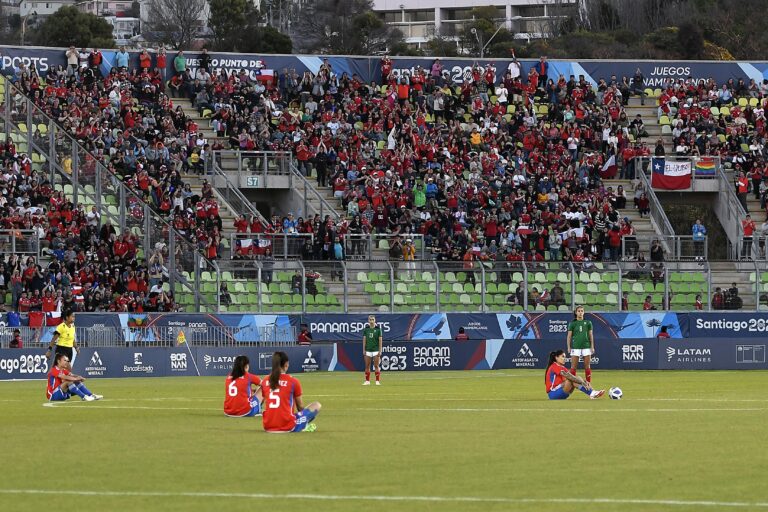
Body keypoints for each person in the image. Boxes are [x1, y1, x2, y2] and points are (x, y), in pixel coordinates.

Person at [260, 352, 321, 433]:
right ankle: (304, 426)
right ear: (286, 364)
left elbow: (265, 402)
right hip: (287, 425)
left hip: (268, 426)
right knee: (317, 405)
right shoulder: (293, 381)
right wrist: (305, 417)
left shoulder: (265, 380)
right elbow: (300, 407)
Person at [566, 305, 595, 384]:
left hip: (586, 347)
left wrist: (592, 346)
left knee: (587, 367)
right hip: (576, 347)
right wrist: (569, 347)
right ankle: (571, 384)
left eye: (582, 311)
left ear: (584, 312)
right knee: (573, 367)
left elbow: (590, 335)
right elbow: (569, 336)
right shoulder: (572, 323)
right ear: (576, 312)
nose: (580, 313)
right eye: (579, 311)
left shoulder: (588, 322)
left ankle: (588, 385)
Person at [362, 315, 383, 386]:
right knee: (367, 366)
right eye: (370, 320)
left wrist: (380, 351)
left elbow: (380, 341)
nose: (371, 321)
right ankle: (367, 381)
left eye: (372, 319)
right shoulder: (366, 329)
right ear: (368, 321)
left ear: (375, 320)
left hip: (376, 350)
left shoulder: (378, 329)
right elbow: (364, 340)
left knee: (376, 366)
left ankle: (377, 381)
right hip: (368, 350)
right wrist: (364, 349)